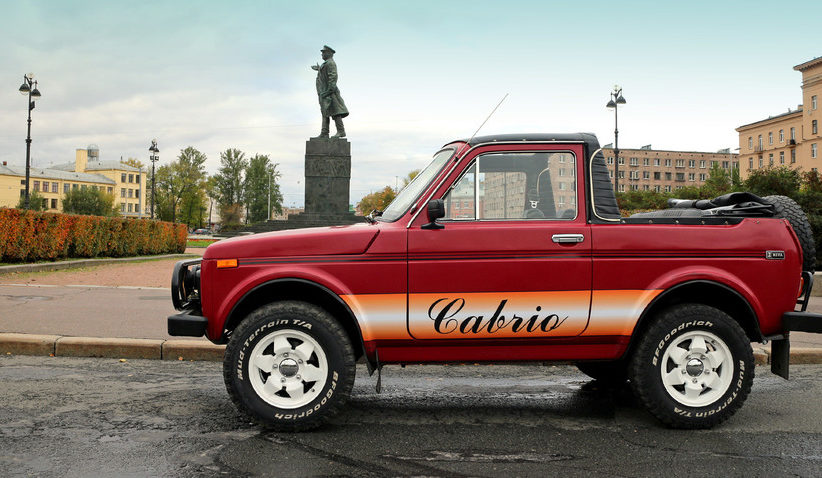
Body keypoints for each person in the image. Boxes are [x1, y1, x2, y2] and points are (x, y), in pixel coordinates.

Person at [311, 45, 349, 138]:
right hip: (324, 92)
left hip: (329, 92)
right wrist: (319, 69)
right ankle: (324, 132)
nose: (322, 54)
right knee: (325, 112)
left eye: (323, 52)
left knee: (335, 112)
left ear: (329, 53)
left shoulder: (330, 63)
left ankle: (341, 131)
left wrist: (328, 92)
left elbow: (333, 78)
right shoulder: (326, 64)